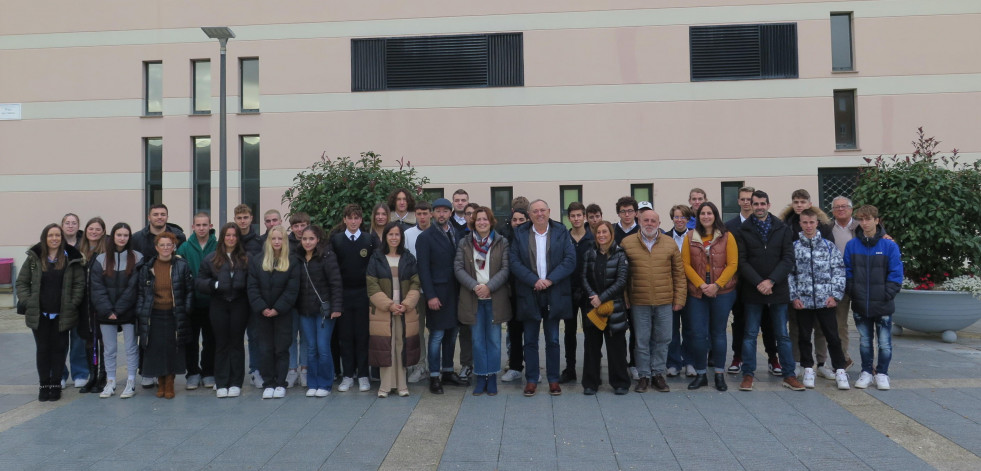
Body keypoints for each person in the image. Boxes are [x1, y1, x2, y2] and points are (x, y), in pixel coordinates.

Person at [736, 190, 804, 392]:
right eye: (755, 203)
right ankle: (748, 374)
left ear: (769, 204)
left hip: (778, 289)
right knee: (749, 334)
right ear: (750, 204)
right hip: (752, 289)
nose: (759, 207)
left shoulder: (782, 228)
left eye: (762, 203)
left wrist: (771, 281)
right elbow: (742, 261)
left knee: (782, 335)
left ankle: (789, 375)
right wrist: (759, 282)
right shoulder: (743, 230)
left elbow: (788, 259)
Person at [509, 199, 577, 397]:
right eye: (535, 211)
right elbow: (513, 261)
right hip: (529, 291)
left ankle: (553, 380)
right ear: (529, 215)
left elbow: (570, 260)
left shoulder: (561, 231)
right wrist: (534, 281)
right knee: (529, 340)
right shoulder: (520, 232)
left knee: (553, 339)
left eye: (542, 210)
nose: (539, 214)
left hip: (553, 291)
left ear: (549, 211)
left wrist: (549, 280)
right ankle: (531, 380)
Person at [16, 224, 85, 401]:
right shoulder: (35, 258)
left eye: (57, 235)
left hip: (62, 314)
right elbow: (22, 283)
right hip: (40, 314)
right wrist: (28, 301)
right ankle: (44, 384)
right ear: (44, 238)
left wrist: (72, 303)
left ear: (62, 238)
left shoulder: (71, 258)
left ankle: (56, 384)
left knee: (59, 349)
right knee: (43, 349)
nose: (54, 238)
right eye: (50, 235)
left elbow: (79, 284)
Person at [620, 206, 686, 393]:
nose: (649, 224)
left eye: (653, 221)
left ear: (659, 223)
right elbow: (622, 275)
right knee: (641, 340)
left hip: (665, 300)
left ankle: (658, 374)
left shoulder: (669, 243)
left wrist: (679, 298)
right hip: (638, 301)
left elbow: (679, 274)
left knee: (663, 339)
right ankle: (643, 376)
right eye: (646, 220)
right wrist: (625, 297)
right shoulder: (627, 242)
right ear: (639, 221)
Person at [789, 209, 850, 390]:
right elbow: (789, 274)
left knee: (832, 336)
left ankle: (839, 369)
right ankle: (808, 367)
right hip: (803, 302)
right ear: (800, 224)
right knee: (804, 336)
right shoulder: (794, 247)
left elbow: (839, 271)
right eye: (805, 223)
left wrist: (835, 295)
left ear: (817, 223)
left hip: (826, 301)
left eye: (812, 222)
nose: (808, 226)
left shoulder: (829, 246)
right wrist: (794, 296)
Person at [844, 205, 903, 390]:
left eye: (868, 219)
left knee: (884, 343)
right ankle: (866, 372)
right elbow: (847, 272)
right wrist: (853, 291)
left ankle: (882, 373)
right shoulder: (852, 245)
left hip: (883, 303)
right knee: (865, 342)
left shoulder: (889, 245)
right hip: (861, 302)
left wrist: (887, 294)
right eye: (861, 219)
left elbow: (896, 273)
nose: (864, 223)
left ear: (877, 220)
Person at [455, 206, 511, 396]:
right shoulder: (464, 243)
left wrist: (489, 287)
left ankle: (492, 377)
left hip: (495, 298)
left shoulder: (502, 242)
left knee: (494, 340)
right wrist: (475, 286)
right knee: (478, 340)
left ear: (491, 221)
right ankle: (481, 376)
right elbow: (458, 268)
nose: (481, 222)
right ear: (473, 222)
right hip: (473, 298)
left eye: (485, 219)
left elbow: (505, 269)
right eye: (478, 219)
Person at [682, 202, 738, 391]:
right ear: (698, 217)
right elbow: (686, 265)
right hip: (698, 291)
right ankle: (700, 374)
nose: (706, 216)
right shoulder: (690, 237)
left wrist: (717, 285)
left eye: (709, 213)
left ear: (715, 215)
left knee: (718, 333)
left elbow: (732, 264)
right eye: (702, 213)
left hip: (722, 291)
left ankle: (719, 375)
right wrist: (701, 285)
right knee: (698, 334)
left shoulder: (727, 236)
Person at [725, 186, 781, 376]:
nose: (747, 202)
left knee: (769, 323)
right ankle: (737, 357)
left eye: (751, 199)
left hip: (766, 283)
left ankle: (773, 358)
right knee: (740, 323)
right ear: (739, 201)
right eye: (744, 199)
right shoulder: (730, 226)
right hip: (741, 284)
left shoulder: (769, 224)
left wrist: (768, 280)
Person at [780, 189, 835, 375]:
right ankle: (798, 361)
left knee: (821, 328)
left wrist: (831, 290)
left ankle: (821, 363)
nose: (799, 205)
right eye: (796, 201)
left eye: (803, 202)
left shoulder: (824, 226)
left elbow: (831, 256)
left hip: (821, 287)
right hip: (798, 285)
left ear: (809, 204)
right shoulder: (785, 225)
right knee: (796, 327)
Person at [416, 198, 467, 394]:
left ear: (450, 213)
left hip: (455, 292)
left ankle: (447, 371)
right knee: (437, 335)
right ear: (432, 214)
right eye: (438, 211)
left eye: (445, 211)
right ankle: (434, 376)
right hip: (437, 293)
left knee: (452, 333)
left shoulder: (457, 233)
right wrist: (430, 295)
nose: (441, 214)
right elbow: (423, 270)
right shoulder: (426, 237)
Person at [366, 223, 422, 398]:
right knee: (386, 347)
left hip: (405, 310)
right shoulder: (376, 257)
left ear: (401, 237)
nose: (394, 237)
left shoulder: (408, 258)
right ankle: (385, 386)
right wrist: (389, 305)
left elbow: (416, 282)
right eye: (390, 234)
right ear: (386, 237)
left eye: (397, 234)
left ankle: (401, 385)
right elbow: (372, 285)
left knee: (401, 345)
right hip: (384, 311)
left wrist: (406, 304)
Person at [135, 232, 193, 399]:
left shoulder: (182, 265)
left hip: (174, 313)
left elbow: (189, 290)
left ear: (174, 247)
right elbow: (141, 293)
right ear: (156, 247)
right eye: (162, 245)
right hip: (154, 314)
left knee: (172, 349)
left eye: (169, 245)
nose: (166, 248)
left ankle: (170, 382)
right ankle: (161, 381)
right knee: (156, 350)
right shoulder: (147, 267)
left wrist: (186, 308)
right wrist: (140, 310)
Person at [90, 222, 143, 398]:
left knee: (130, 347)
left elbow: (134, 287)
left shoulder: (137, 257)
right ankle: (110, 381)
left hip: (127, 312)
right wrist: (107, 310)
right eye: (119, 235)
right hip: (106, 313)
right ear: (113, 237)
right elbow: (96, 288)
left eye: (125, 235)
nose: (122, 238)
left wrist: (118, 310)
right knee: (109, 349)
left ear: (129, 238)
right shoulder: (100, 259)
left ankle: (130, 382)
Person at [197, 223, 250, 398]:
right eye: (227, 235)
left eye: (234, 235)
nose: (231, 238)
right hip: (218, 304)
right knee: (220, 343)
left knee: (236, 343)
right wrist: (215, 285)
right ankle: (221, 381)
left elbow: (252, 282)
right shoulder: (212, 259)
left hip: (239, 304)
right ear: (222, 237)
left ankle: (235, 382)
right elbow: (199, 282)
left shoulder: (245, 259)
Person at [248, 226, 300, 399]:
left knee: (281, 349)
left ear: (284, 241)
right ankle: (268, 382)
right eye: (274, 239)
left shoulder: (292, 261)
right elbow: (252, 288)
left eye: (280, 239)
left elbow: (292, 290)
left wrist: (277, 308)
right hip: (262, 314)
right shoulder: (257, 261)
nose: (277, 242)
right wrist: (262, 307)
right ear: (268, 241)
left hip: (283, 314)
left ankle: (280, 383)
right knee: (265, 349)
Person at [330, 204, 376, 393]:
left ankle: (363, 375)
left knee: (363, 336)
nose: (354, 221)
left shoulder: (369, 240)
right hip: (343, 295)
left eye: (357, 217)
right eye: (350, 218)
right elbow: (333, 270)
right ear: (344, 220)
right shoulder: (337, 240)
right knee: (345, 336)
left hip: (364, 294)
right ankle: (348, 375)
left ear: (361, 219)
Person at [580, 220, 630, 395]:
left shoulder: (620, 254)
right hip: (593, 307)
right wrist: (593, 296)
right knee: (592, 347)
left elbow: (621, 281)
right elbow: (584, 277)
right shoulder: (589, 253)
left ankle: (620, 382)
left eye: (605, 232)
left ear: (611, 234)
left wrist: (602, 297)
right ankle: (590, 383)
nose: (601, 235)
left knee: (616, 347)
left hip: (614, 307)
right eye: (598, 233)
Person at [296, 225, 343, 397]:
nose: (307, 242)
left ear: (318, 240)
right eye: (304, 239)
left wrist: (336, 307)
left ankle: (325, 384)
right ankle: (312, 383)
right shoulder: (298, 257)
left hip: (325, 310)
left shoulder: (327, 256)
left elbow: (336, 283)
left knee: (323, 347)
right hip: (305, 310)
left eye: (311, 239)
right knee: (311, 348)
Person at [175, 212, 217, 390]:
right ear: (193, 227)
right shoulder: (184, 247)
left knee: (211, 339)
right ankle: (192, 372)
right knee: (190, 340)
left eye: (204, 225)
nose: (201, 228)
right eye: (198, 225)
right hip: (190, 302)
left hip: (212, 301)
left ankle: (208, 372)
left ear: (210, 226)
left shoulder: (218, 246)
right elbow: (179, 273)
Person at [563, 201, 593, 384]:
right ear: (569, 218)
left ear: (585, 217)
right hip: (568, 292)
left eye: (579, 215)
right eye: (573, 216)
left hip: (589, 292)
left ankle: (591, 368)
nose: (576, 219)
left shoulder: (593, 239)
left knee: (590, 332)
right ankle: (570, 368)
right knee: (569, 332)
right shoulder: (564, 239)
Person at [78, 217, 108, 393]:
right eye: (91, 229)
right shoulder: (78, 251)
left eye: (98, 229)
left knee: (103, 341)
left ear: (103, 232)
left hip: (100, 303)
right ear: (86, 230)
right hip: (84, 305)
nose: (94, 232)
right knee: (89, 340)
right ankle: (92, 375)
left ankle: (102, 376)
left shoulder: (106, 252)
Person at [403, 200, 432, 383]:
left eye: (425, 213)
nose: (422, 217)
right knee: (417, 329)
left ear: (431, 214)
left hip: (435, 290)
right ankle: (420, 365)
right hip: (415, 290)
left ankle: (438, 366)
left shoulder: (438, 232)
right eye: (419, 214)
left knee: (437, 330)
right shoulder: (408, 234)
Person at [500, 207, 530, 383]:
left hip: (531, 290)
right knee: (514, 331)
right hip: (512, 292)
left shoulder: (533, 237)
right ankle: (515, 367)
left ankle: (533, 368)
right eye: (515, 220)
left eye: (521, 220)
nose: (518, 223)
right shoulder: (505, 240)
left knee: (532, 333)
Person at [830, 196, 859, 373]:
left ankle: (869, 363)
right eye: (837, 207)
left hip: (859, 280)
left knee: (864, 323)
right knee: (839, 323)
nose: (841, 209)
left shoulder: (860, 227)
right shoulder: (827, 228)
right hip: (836, 281)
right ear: (832, 210)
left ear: (851, 209)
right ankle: (843, 358)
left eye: (844, 206)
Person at [666, 204, 694, 378]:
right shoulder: (665, 237)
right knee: (672, 329)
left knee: (691, 328)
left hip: (692, 288)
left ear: (688, 219)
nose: (679, 220)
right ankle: (674, 363)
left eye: (683, 217)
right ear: (672, 219)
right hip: (671, 289)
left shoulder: (695, 237)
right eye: (676, 217)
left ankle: (690, 361)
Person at [60, 213, 87, 388]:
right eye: (67, 223)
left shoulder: (84, 243)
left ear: (78, 226)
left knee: (79, 339)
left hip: (80, 297)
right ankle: (59, 373)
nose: (70, 226)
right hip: (59, 298)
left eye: (74, 223)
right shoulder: (54, 241)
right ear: (62, 225)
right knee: (59, 339)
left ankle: (80, 373)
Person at [285, 212, 312, 388]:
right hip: (290, 298)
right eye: (296, 226)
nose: (300, 229)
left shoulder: (313, 243)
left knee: (306, 337)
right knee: (290, 336)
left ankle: (304, 369)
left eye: (303, 225)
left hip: (307, 298)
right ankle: (292, 369)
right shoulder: (286, 245)